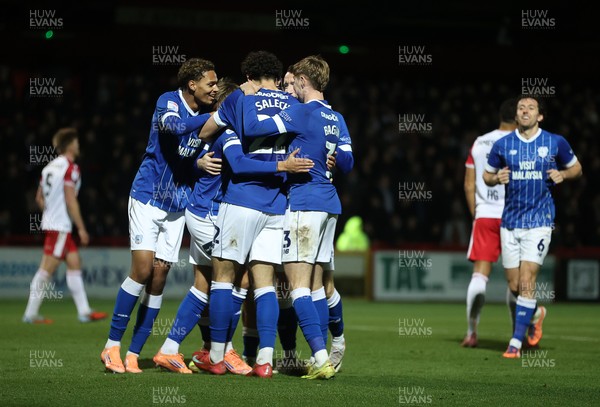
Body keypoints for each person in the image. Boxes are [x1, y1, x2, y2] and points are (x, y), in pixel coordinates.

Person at [151, 78, 313, 374]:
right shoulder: (229, 132)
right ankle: (212, 351)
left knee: (215, 282)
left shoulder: (228, 130)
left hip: (208, 211)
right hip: (207, 214)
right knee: (229, 280)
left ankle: (199, 350)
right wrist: (281, 166)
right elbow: (237, 163)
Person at [100, 58, 218, 373]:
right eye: (211, 83)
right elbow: (174, 127)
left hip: (178, 206)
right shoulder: (169, 101)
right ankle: (111, 345)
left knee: (160, 276)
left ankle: (134, 354)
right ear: (192, 84)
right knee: (141, 270)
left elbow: (188, 159)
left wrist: (200, 165)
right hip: (148, 197)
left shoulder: (208, 116)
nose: (215, 88)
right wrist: (212, 117)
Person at [240, 54, 353, 380]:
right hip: (330, 204)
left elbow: (256, 126)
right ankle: (331, 346)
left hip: (304, 203)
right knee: (317, 286)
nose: (288, 89)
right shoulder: (336, 117)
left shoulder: (300, 112)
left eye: (293, 83)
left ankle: (319, 358)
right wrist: (329, 160)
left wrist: (250, 97)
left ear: (304, 81)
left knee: (297, 286)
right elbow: (347, 161)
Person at [194, 50, 298, 378]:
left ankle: (215, 355)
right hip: (276, 205)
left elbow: (204, 133)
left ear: (249, 75)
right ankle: (265, 360)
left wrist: (238, 96)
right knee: (264, 285)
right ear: (277, 77)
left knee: (223, 278)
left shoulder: (240, 99)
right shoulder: (294, 104)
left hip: (240, 200)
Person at [483, 95, 582, 358]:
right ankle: (536, 313)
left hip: (539, 222)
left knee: (527, 281)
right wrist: (495, 179)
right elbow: (486, 175)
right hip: (510, 223)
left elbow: (577, 169)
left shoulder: (554, 142)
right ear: (516, 115)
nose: (525, 111)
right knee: (515, 286)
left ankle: (515, 343)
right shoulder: (503, 145)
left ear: (540, 116)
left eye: (531, 108)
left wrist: (564, 174)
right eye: (521, 108)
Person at [23, 128, 107, 324]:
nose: (78, 146)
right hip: (60, 226)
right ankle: (30, 314)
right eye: (76, 142)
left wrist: (50, 213)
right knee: (46, 269)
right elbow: (70, 199)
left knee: (74, 262)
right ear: (70, 145)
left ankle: (84, 311)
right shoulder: (71, 167)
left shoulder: (49, 168)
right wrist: (82, 228)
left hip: (53, 224)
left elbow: (39, 198)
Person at [461, 99, 518, 347]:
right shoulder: (521, 142)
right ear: (517, 117)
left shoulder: (480, 142)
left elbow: (468, 184)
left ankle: (471, 332)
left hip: (485, 214)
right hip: (514, 216)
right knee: (515, 281)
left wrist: (477, 214)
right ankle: (518, 334)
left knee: (479, 276)